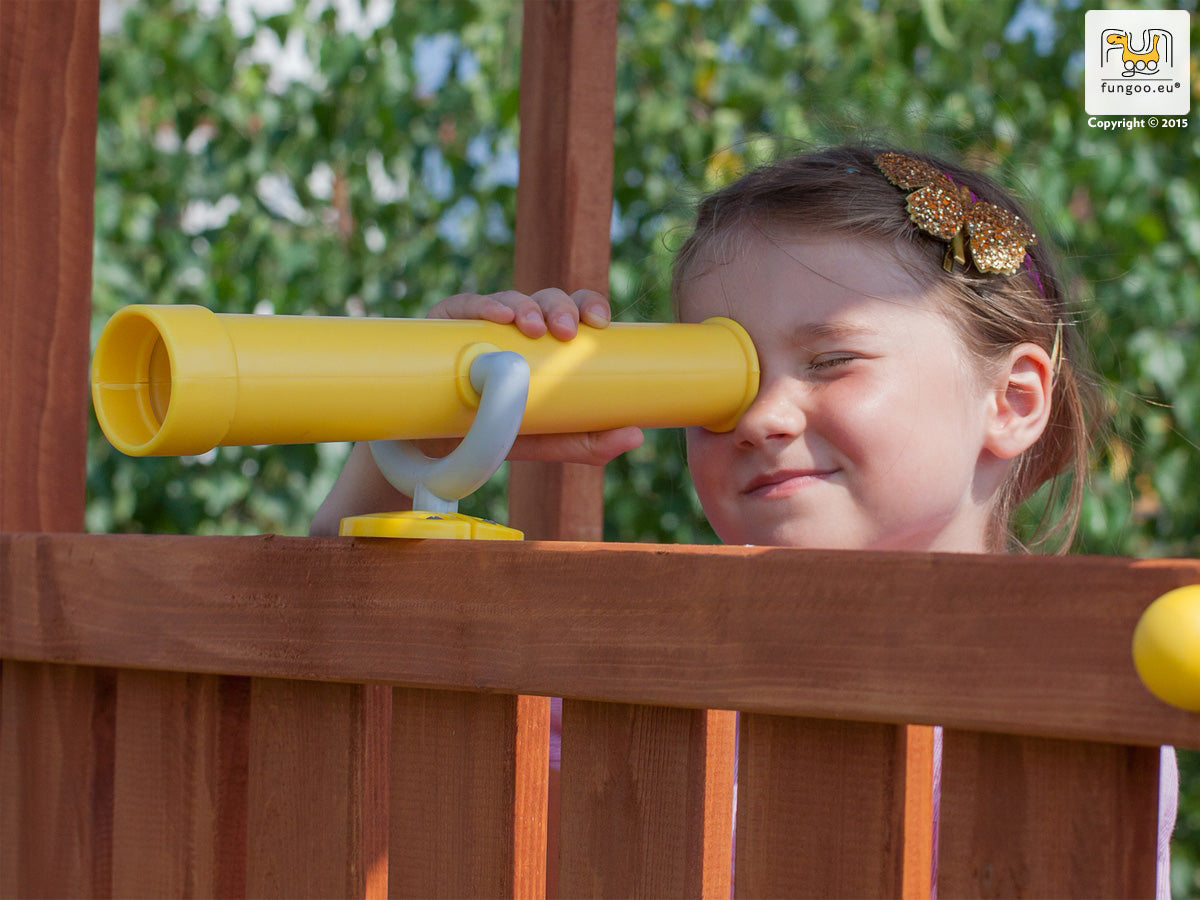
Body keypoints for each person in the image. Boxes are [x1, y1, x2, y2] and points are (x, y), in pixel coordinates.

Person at [310, 144, 1175, 892]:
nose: (762, 417)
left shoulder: (1080, 693)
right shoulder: (626, 674)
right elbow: (315, 669)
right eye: (720, 376)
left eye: (831, 358)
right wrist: (415, 425)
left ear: (1012, 399)